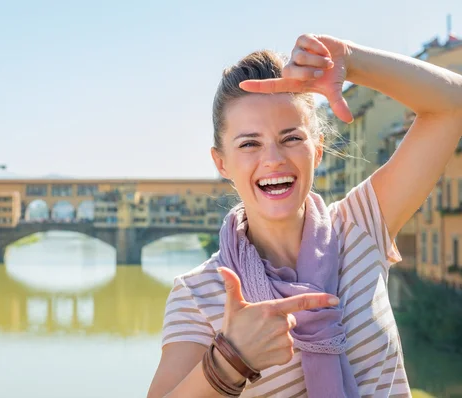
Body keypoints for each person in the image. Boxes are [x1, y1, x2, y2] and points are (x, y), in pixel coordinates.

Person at [147, 33, 462, 398]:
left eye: (291, 138)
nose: (274, 159)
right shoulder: (199, 293)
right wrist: (230, 362)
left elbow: (452, 104)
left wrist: (350, 60)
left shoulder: (360, 226)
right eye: (249, 143)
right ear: (222, 163)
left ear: (318, 150)